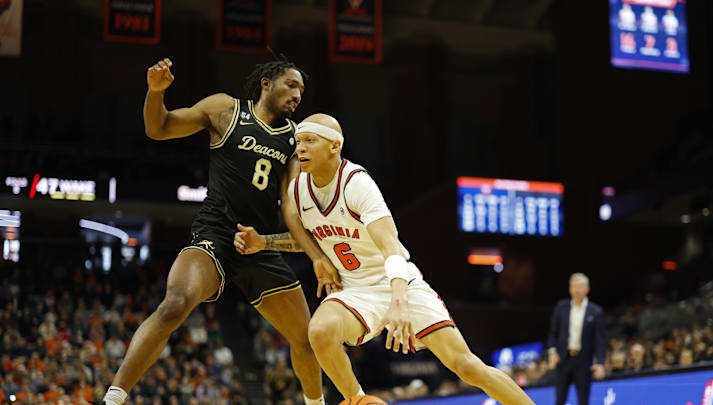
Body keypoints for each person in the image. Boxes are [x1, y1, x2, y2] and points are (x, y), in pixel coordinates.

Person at [233, 113, 536, 404]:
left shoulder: (357, 183)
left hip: (399, 282)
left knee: (467, 366)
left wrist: (399, 302)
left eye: (310, 140)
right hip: (355, 290)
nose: (300, 147)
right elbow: (313, 241)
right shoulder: (298, 190)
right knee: (320, 331)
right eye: (298, 141)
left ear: (334, 146)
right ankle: (360, 401)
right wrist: (264, 242)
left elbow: (391, 246)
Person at [102, 57, 342, 405]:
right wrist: (155, 93)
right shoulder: (225, 110)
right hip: (215, 234)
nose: (297, 96)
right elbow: (159, 128)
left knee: (306, 337)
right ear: (267, 82)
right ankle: (113, 398)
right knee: (174, 304)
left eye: (302, 90)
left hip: (258, 245)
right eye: (291, 85)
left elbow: (289, 207)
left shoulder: (294, 139)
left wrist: (315, 255)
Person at [547, 273, 606, 405]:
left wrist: (601, 363)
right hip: (564, 360)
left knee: (583, 401)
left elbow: (600, 340)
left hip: (584, 362)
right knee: (560, 400)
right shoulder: (561, 307)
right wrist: (552, 351)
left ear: (587, 289)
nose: (578, 290)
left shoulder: (596, 312)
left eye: (581, 286)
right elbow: (553, 333)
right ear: (570, 289)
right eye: (575, 287)